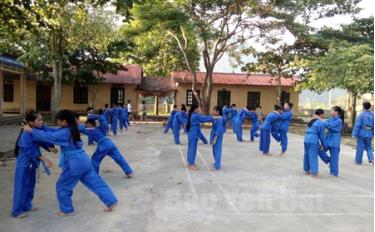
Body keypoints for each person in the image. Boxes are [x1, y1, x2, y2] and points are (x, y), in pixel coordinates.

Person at [23, 110, 118, 216]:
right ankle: (111, 201)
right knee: (96, 182)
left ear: (64, 121)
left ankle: (67, 210)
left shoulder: (64, 132)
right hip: (83, 160)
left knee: (62, 186)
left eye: (58, 120)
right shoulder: (72, 128)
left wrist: (31, 130)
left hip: (74, 162)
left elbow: (48, 136)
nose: (57, 123)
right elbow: (53, 131)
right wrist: (43, 127)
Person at [12, 111, 55, 218]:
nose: (42, 122)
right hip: (25, 164)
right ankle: (17, 210)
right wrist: (44, 159)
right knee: (21, 186)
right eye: (39, 120)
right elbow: (30, 150)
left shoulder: (34, 130)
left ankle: (27, 205)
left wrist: (49, 147)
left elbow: (41, 139)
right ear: (31, 122)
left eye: (42, 119)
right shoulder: (26, 133)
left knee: (30, 185)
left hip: (32, 163)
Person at [186, 104, 214, 170]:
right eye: (197, 108)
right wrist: (213, 117)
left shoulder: (191, 115)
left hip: (191, 133)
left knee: (190, 148)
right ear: (195, 109)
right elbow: (204, 118)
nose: (198, 110)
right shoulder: (195, 116)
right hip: (194, 133)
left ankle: (190, 162)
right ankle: (191, 164)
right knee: (193, 149)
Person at [303, 109, 327, 177]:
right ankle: (314, 173)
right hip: (313, 139)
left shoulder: (311, 121)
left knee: (307, 155)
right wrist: (323, 145)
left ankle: (306, 170)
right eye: (323, 114)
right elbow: (322, 135)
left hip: (306, 139)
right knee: (313, 156)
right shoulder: (320, 122)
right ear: (321, 114)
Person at [323, 106, 343, 176]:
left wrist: (327, 125)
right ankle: (328, 160)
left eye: (332, 110)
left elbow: (329, 125)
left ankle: (334, 172)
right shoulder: (330, 118)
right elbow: (325, 124)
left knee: (334, 156)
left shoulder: (339, 120)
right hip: (328, 137)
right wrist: (327, 125)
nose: (331, 111)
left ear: (336, 112)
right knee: (320, 149)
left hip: (335, 139)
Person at [210, 106, 226, 170]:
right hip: (214, 135)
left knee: (217, 150)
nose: (213, 111)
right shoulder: (217, 118)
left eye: (214, 110)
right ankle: (216, 162)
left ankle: (217, 165)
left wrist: (215, 138)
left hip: (217, 136)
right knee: (214, 150)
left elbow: (219, 129)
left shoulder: (220, 119)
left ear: (218, 111)